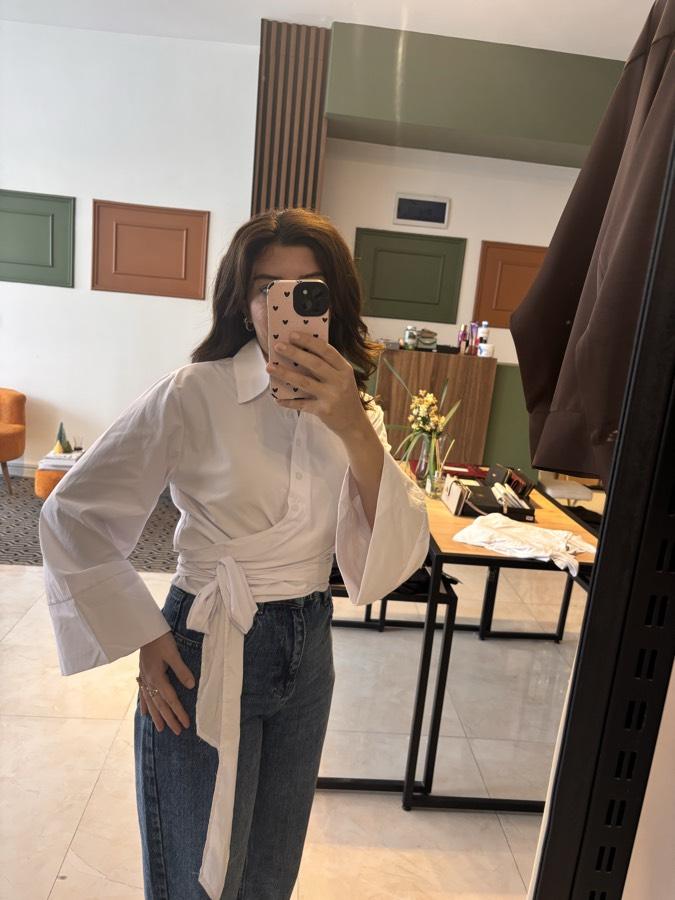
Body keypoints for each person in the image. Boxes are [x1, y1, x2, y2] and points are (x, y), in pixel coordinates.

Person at [38, 208, 430, 899]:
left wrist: (350, 424)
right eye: (265, 287)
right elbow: (74, 512)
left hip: (309, 644)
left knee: (270, 876)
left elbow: (395, 539)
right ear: (241, 301)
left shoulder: (353, 409)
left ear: (333, 299)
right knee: (198, 876)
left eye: (307, 287)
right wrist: (144, 633)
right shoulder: (196, 392)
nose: (284, 303)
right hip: (206, 637)